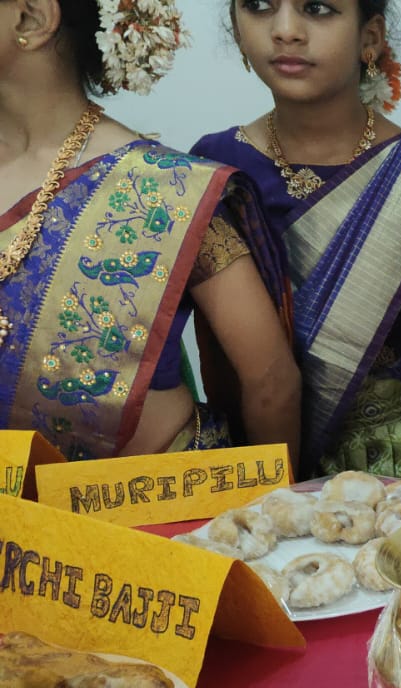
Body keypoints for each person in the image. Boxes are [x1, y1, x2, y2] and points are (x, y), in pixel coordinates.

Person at [193, 0, 401, 478]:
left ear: (369, 38)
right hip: (261, 460)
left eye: (317, 8)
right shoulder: (213, 168)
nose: (286, 30)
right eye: (260, 6)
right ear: (235, 27)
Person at [0, 0, 300, 463]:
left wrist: (275, 504)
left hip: (160, 499)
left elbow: (270, 382)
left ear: (32, 17)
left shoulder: (164, 188)